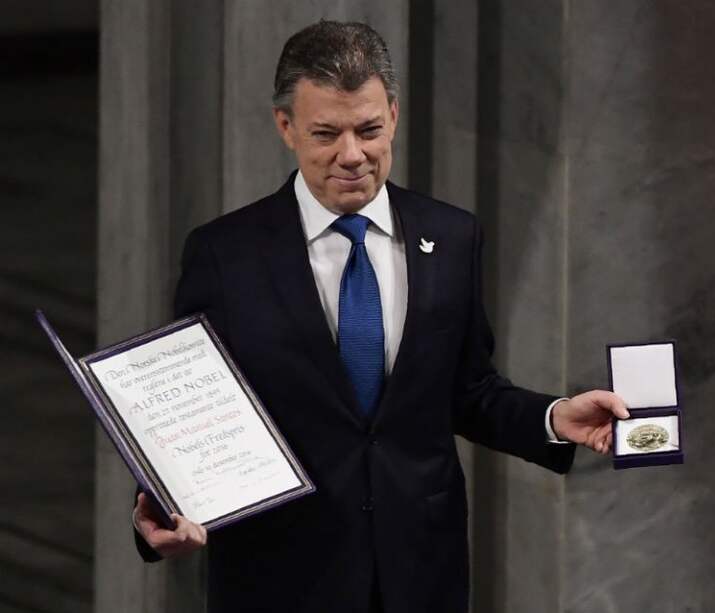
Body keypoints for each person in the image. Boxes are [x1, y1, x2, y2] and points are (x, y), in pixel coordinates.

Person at [132, 20, 629, 613]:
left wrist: (553, 416)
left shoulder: (452, 236)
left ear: (393, 114)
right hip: (280, 578)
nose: (352, 156)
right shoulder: (225, 254)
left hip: (420, 573)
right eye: (325, 134)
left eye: (368, 129)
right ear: (285, 126)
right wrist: (159, 503)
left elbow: (468, 391)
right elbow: (190, 408)